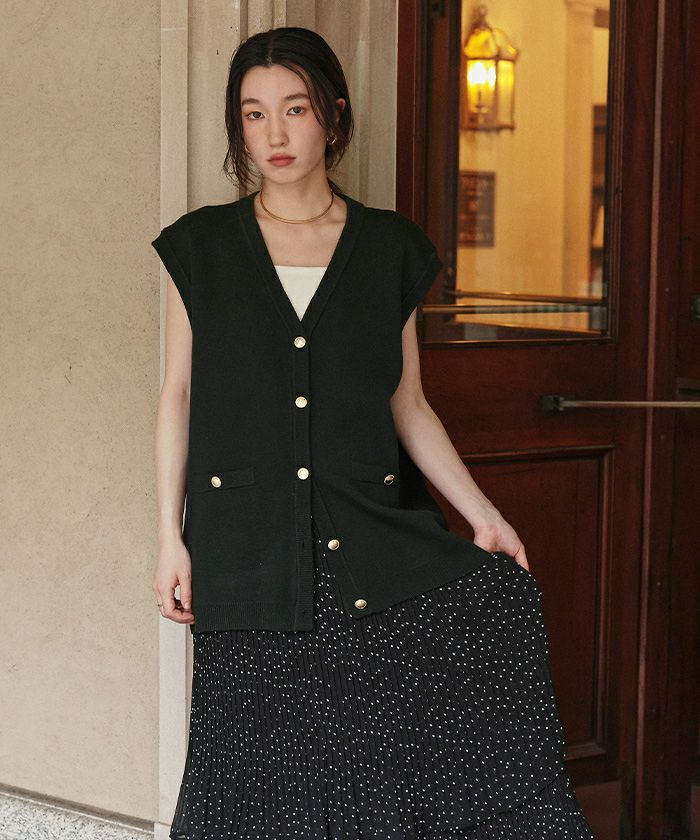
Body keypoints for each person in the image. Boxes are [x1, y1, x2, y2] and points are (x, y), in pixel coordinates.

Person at [151, 25, 597, 840]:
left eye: (295, 109)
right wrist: (167, 539)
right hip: (243, 546)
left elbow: (409, 404)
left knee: (374, 756)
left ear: (334, 115)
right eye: (254, 113)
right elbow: (177, 396)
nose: (275, 133)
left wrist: (484, 515)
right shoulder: (200, 248)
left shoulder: (387, 248)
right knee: (251, 768)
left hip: (364, 536)